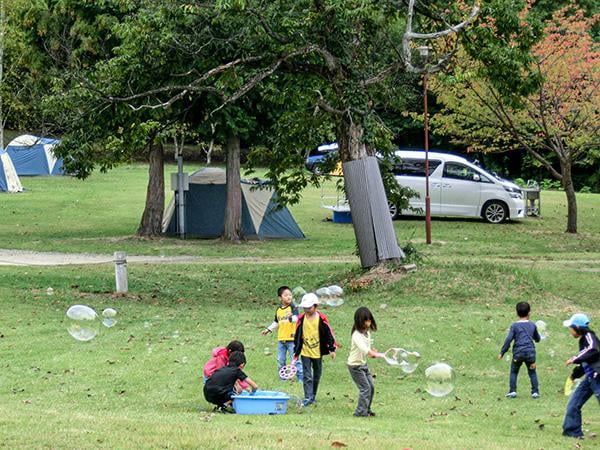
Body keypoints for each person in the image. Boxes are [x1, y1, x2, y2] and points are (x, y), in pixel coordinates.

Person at [293, 293, 336, 407]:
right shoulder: (302, 319)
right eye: (305, 308)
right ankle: (308, 397)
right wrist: (296, 351)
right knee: (307, 375)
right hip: (305, 351)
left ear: (316, 306)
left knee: (317, 374)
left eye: (309, 307)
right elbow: (297, 335)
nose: (307, 310)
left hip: (317, 351)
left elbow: (328, 334)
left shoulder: (321, 319)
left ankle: (313, 395)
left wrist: (331, 349)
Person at [562, 313, 600, 439]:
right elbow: (586, 360)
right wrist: (574, 375)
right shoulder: (583, 340)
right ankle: (572, 431)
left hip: (597, 376)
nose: (570, 331)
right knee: (574, 403)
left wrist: (574, 358)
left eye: (571, 328)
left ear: (577, 327)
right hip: (590, 378)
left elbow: (593, 349)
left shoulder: (590, 336)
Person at [498, 301, 541, 398]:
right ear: (529, 312)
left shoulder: (514, 326)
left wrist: (502, 352)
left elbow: (508, 339)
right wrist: (538, 338)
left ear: (516, 313)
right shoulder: (533, 325)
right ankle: (535, 392)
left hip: (518, 353)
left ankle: (512, 391)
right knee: (532, 372)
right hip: (530, 353)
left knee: (514, 371)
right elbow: (537, 339)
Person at [260, 285, 303, 381]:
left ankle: (301, 378)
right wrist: (268, 329)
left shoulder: (293, 307)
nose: (289, 297)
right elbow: (276, 322)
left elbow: (297, 319)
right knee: (280, 360)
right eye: (286, 295)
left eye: (290, 295)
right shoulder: (279, 310)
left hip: (292, 339)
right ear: (280, 298)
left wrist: (291, 317)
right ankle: (282, 378)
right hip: (281, 339)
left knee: (295, 360)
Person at [347, 307, 384, 417]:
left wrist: (373, 351)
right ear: (359, 321)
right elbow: (364, 349)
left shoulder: (366, 333)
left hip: (363, 364)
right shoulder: (356, 335)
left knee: (371, 386)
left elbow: (368, 348)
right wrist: (373, 353)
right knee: (365, 388)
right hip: (355, 366)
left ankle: (366, 409)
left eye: (369, 320)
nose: (368, 323)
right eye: (365, 320)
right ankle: (360, 412)